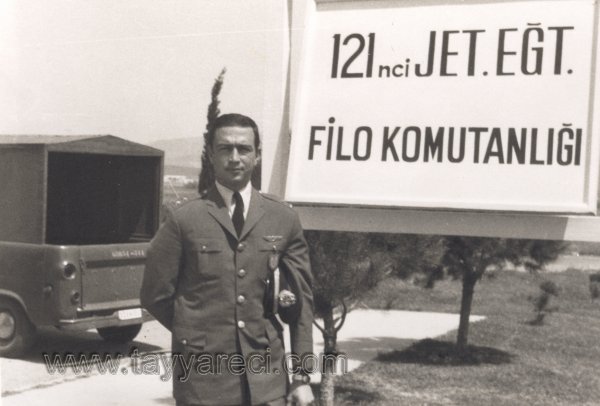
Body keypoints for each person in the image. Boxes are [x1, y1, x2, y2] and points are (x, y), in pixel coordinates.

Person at [141, 113, 315, 406]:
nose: (235, 158)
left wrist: (301, 376)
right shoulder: (184, 220)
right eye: (225, 149)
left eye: (244, 149)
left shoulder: (283, 218)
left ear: (257, 155)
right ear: (211, 155)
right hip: (203, 384)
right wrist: (195, 334)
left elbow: (301, 303)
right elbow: (155, 295)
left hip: (267, 381)